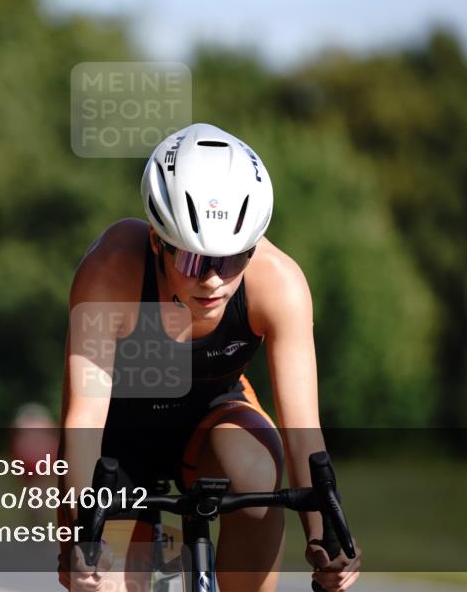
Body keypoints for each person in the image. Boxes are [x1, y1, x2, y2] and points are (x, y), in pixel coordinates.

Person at [57, 123, 362, 592]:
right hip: (116, 440)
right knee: (103, 581)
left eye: (232, 259)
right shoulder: (111, 272)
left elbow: (304, 435)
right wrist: (81, 542)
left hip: (212, 424)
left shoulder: (279, 284)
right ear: (159, 241)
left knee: (258, 466)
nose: (214, 281)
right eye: (195, 261)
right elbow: (83, 423)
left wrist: (327, 544)